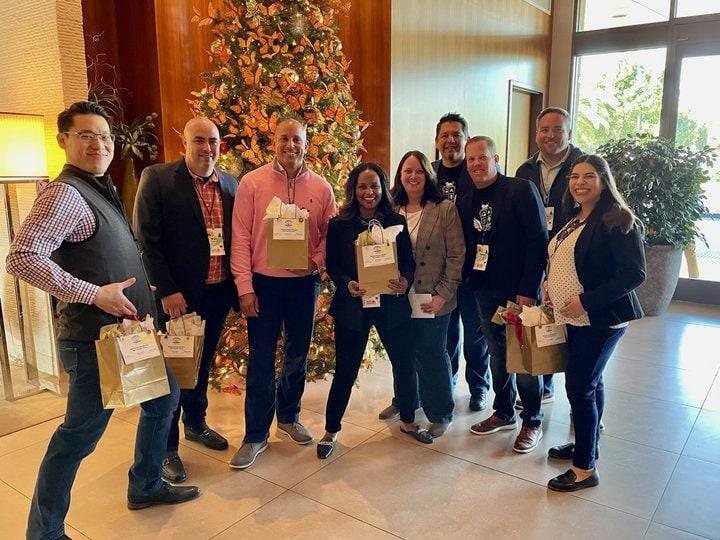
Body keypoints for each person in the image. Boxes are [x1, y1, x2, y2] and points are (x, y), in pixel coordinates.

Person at [6, 101, 199, 540]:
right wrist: (95, 294)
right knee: (78, 436)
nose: (99, 144)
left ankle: (146, 484)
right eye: (87, 135)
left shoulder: (96, 188)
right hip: (95, 340)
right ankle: (44, 532)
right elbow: (22, 257)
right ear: (64, 141)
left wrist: (136, 289)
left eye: (106, 136)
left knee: (164, 400)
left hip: (132, 332)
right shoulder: (65, 193)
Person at [134, 117, 239, 483]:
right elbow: (147, 240)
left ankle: (196, 423)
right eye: (199, 140)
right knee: (175, 374)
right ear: (184, 141)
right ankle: (168, 449)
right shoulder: (159, 178)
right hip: (179, 299)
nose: (207, 148)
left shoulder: (230, 184)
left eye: (213, 140)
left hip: (218, 292)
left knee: (203, 364)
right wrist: (166, 290)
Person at [229, 115, 336, 469]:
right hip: (264, 284)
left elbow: (328, 237)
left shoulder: (321, 188)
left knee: (296, 355)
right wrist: (245, 287)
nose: (291, 145)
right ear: (273, 142)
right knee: (260, 359)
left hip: (304, 284)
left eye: (297, 139)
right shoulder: (252, 183)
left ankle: (288, 416)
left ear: (307, 144)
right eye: (284, 138)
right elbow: (240, 237)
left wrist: (314, 262)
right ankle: (255, 435)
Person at [545, 155, 645, 492]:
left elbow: (634, 274)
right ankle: (587, 445)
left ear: (604, 180)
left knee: (579, 387)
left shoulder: (617, 218)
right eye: (575, 176)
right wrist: (549, 285)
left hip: (601, 319)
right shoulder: (576, 216)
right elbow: (563, 257)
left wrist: (585, 301)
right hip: (573, 317)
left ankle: (585, 469)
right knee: (592, 383)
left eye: (589, 176)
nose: (580, 183)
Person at [318, 162, 420, 458]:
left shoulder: (395, 221)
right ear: (353, 190)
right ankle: (331, 429)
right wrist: (347, 283)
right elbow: (333, 265)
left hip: (391, 305)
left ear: (382, 188)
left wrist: (405, 280)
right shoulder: (339, 225)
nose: (369, 192)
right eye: (362, 186)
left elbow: (409, 263)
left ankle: (409, 421)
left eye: (374, 186)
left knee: (403, 364)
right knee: (345, 371)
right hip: (353, 307)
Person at [457, 136, 548, 454]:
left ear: (496, 158)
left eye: (482, 158)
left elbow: (539, 241)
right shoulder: (466, 199)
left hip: (518, 293)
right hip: (484, 290)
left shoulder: (521, 189)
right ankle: (504, 411)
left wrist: (528, 289)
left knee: (523, 359)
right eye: (471, 160)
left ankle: (532, 421)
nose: (476, 164)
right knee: (498, 355)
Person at [389, 151, 465, 438]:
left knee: (433, 353)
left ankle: (440, 411)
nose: (412, 176)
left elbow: (457, 254)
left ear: (427, 175)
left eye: (419, 171)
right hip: (397, 297)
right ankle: (405, 402)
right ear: (399, 176)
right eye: (407, 171)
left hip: (433, 296)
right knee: (402, 353)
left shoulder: (444, 209)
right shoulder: (391, 210)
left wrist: (444, 293)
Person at [515, 106, 585, 402]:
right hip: (536, 252)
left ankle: (582, 400)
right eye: (545, 130)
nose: (551, 135)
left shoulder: (583, 167)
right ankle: (543, 382)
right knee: (540, 318)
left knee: (575, 329)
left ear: (569, 133)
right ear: (536, 135)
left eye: (558, 129)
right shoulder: (525, 170)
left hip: (572, 257)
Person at [432, 113, 491, 412]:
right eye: (445, 135)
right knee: (447, 333)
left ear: (466, 140)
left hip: (473, 270)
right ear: (437, 141)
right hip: (439, 272)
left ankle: (479, 387)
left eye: (457, 134)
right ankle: (448, 381)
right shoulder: (430, 175)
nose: (450, 140)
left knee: (475, 333)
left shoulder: (478, 173)